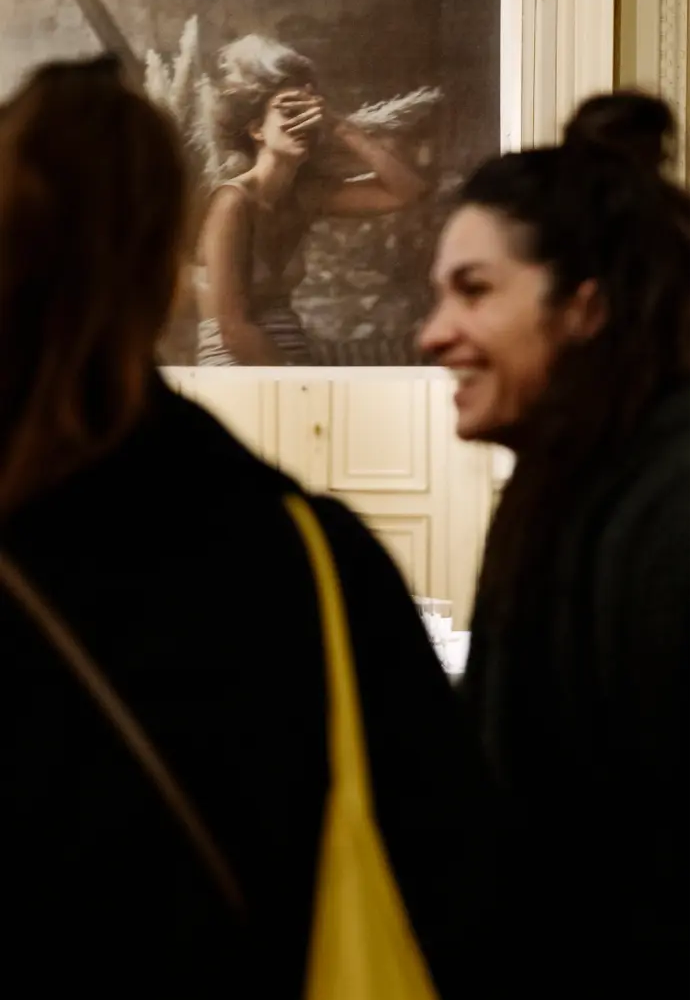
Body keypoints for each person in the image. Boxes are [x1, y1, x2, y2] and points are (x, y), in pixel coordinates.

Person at [0, 55, 495, 994]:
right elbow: (450, 876)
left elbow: (404, 188)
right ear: (164, 273)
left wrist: (340, 125)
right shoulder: (308, 554)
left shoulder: (297, 200)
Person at [420, 91, 690, 956]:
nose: (433, 335)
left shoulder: (668, 509)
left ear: (584, 306)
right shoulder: (564, 480)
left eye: (474, 291)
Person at [195, 35, 428, 365]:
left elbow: (407, 190)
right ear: (257, 129)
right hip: (236, 366)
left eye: (309, 112)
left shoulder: (305, 196)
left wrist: (340, 127)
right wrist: (298, 382)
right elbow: (233, 330)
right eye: (290, 111)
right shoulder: (232, 203)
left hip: (292, 360)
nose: (303, 123)